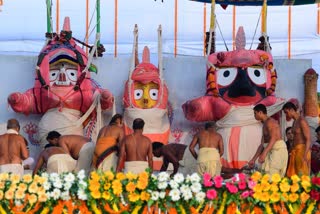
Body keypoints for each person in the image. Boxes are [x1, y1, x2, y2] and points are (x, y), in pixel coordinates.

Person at [248, 104, 288, 177]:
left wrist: (264, 153)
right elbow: (262, 144)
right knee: (265, 175)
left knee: (273, 175)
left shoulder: (270, 122)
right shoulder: (265, 124)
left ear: (260, 112)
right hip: (271, 151)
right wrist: (253, 159)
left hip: (277, 150)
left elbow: (274, 138)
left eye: (255, 113)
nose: (254, 116)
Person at [282, 101, 311, 176]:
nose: (286, 114)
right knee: (294, 176)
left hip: (302, 151)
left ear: (292, 110)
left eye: (286, 112)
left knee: (302, 176)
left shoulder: (302, 121)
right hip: (295, 151)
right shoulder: (294, 122)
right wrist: (290, 149)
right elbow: (294, 138)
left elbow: (308, 138)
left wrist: (305, 154)